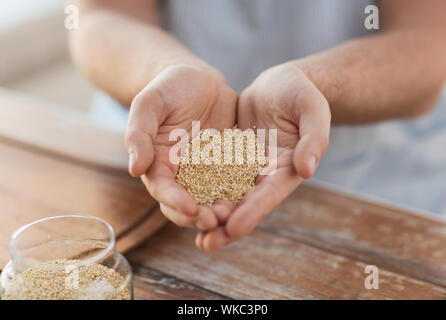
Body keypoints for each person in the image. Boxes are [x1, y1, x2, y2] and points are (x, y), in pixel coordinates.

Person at [68, 0, 446, 251]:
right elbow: (100, 15)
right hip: (155, 151)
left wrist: (317, 82)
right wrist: (164, 72)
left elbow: (428, 38)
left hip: (372, 190)